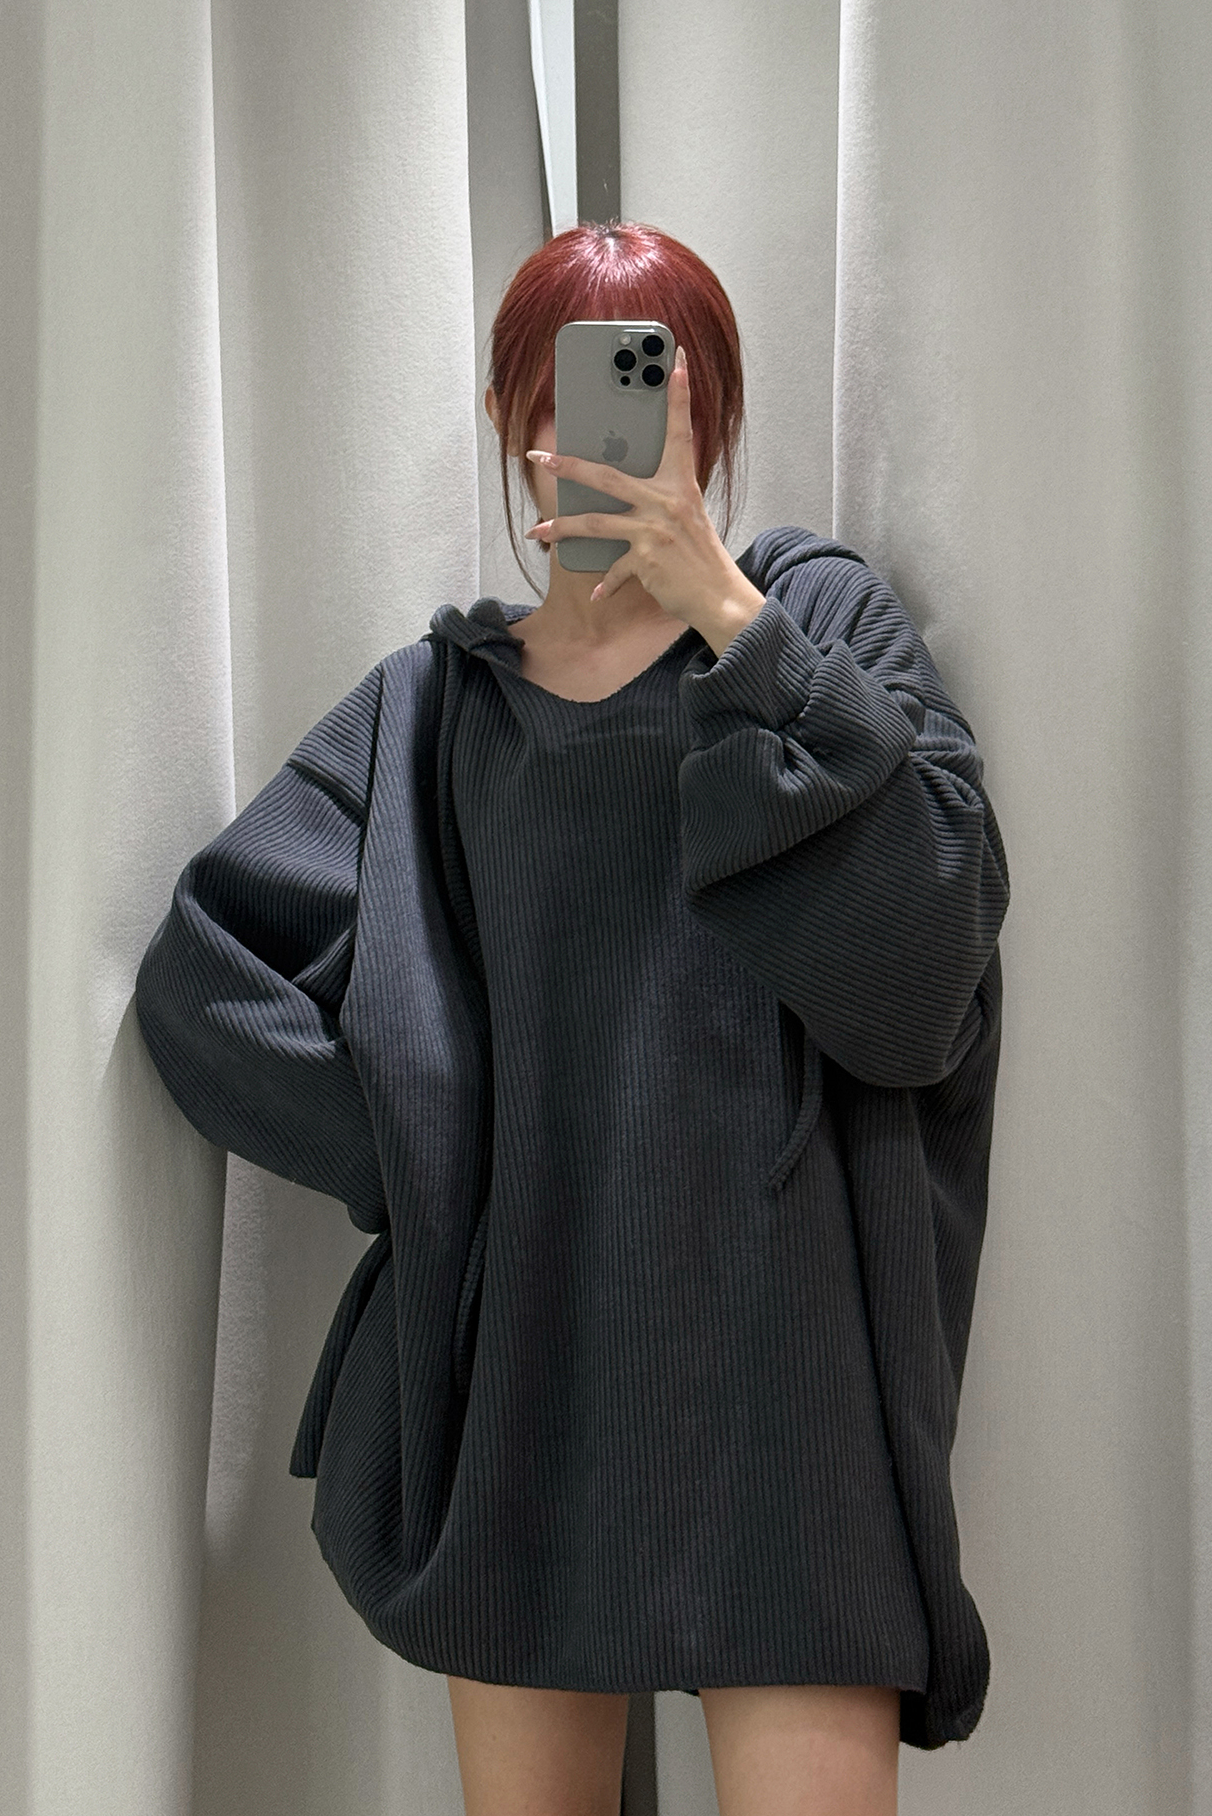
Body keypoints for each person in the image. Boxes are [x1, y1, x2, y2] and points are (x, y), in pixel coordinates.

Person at [135, 221, 1010, 1816]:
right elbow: (205, 980)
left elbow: (925, 972)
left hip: (793, 1373)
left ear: (712, 408)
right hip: (530, 1366)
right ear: (506, 416)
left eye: (658, 384)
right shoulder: (436, 710)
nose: (611, 426)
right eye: (570, 388)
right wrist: (433, 1163)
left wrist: (732, 620)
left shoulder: (814, 624)